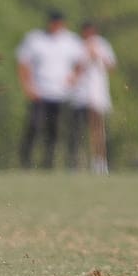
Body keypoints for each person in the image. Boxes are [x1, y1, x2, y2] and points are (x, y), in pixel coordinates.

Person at [17, 9, 86, 169]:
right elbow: (23, 64)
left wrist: (74, 78)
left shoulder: (71, 41)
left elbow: (81, 63)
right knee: (34, 126)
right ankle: (25, 161)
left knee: (54, 131)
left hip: (61, 93)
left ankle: (48, 163)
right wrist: (27, 86)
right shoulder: (35, 39)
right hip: (39, 92)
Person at [67, 21, 117, 174]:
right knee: (77, 131)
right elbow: (74, 71)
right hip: (80, 95)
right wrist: (85, 57)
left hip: (98, 93)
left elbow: (111, 66)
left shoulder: (103, 45)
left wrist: (98, 55)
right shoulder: (77, 46)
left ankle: (100, 162)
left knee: (99, 129)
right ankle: (76, 163)